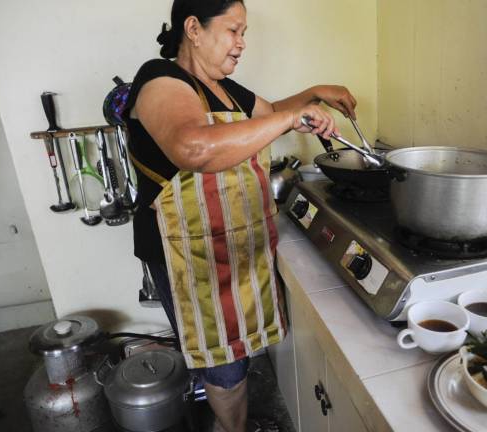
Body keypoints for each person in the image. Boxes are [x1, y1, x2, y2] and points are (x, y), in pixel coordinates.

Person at [122, 1, 358, 431]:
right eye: (233, 30)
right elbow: (194, 147)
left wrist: (315, 93)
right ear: (193, 28)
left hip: (228, 240)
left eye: (243, 32)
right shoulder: (161, 79)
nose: (242, 43)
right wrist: (293, 116)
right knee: (223, 366)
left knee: (236, 353)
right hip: (186, 251)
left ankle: (233, 421)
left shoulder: (225, 90)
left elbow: (271, 115)